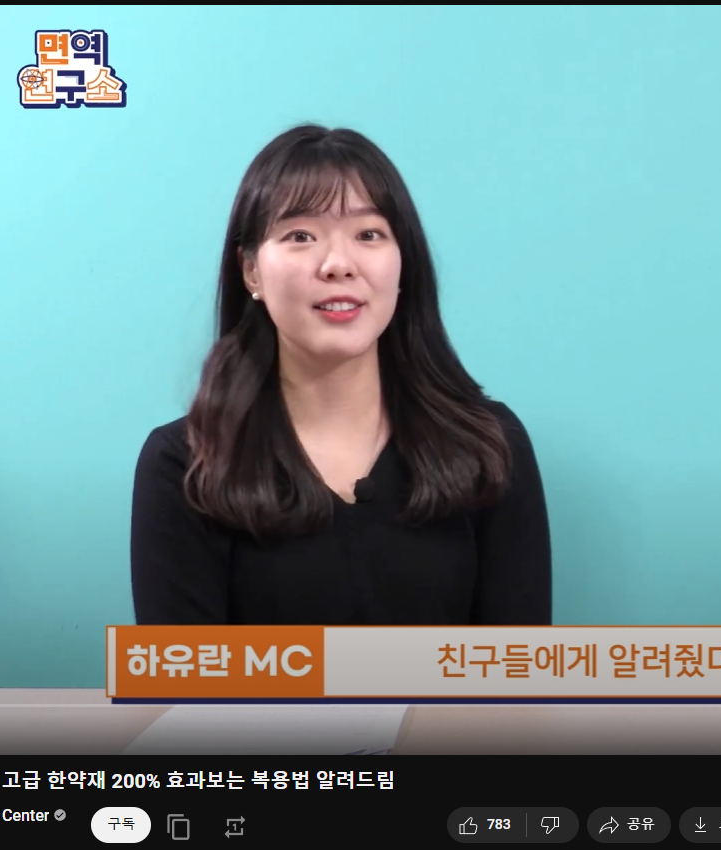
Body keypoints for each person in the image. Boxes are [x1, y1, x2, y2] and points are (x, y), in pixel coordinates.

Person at [131, 124, 551, 625]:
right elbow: (183, 675)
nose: (338, 264)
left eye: (368, 234)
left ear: (403, 264)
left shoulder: (489, 445)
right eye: (301, 236)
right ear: (251, 272)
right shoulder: (184, 466)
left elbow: (513, 667)